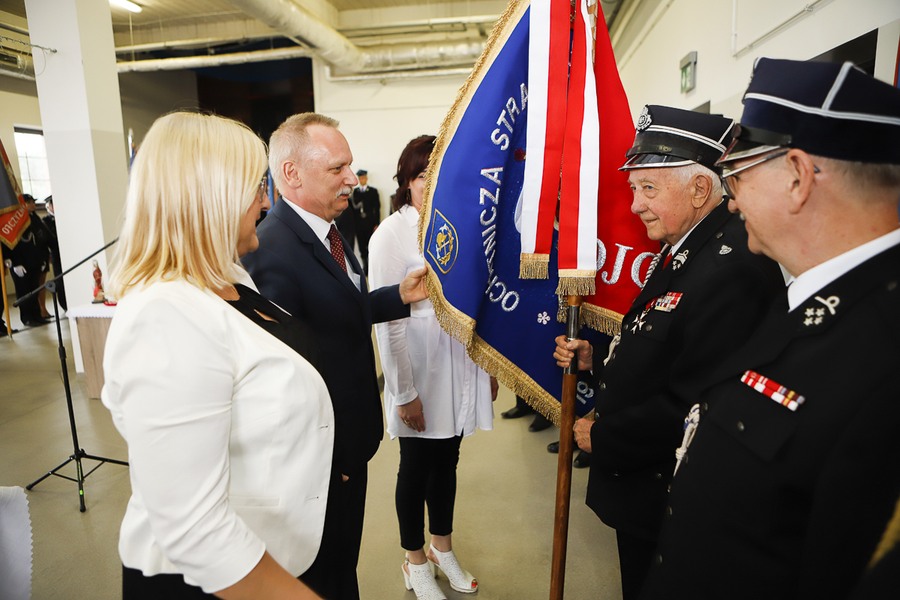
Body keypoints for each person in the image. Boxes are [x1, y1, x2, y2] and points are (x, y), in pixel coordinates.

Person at [639, 58, 900, 600]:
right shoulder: (823, 304)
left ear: (799, 176)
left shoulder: (882, 357)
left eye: (738, 177)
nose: (731, 199)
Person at [553, 105, 785, 600]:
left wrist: (605, 436)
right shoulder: (690, 245)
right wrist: (597, 360)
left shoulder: (730, 267)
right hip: (648, 486)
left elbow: (699, 399)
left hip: (672, 491)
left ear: (701, 190)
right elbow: (663, 343)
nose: (635, 204)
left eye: (648, 188)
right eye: (635, 188)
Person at [101, 111, 330, 599]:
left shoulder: (229, 279)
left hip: (270, 559)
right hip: (212, 583)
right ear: (211, 197)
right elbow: (194, 528)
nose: (266, 203)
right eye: (255, 189)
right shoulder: (165, 315)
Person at [242, 113, 428, 600]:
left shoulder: (328, 231)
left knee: (344, 563)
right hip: (324, 457)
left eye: (351, 167)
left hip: (346, 443)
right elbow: (289, 371)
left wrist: (396, 298)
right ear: (291, 175)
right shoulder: (273, 250)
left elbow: (335, 312)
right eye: (337, 169)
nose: (352, 178)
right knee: (325, 575)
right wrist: (330, 457)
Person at [368, 135, 495, 600]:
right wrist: (403, 392)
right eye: (422, 174)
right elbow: (387, 321)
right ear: (406, 180)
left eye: (437, 171)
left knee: (449, 459)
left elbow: (479, 302)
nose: (430, 182)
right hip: (420, 367)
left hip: (459, 362)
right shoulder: (391, 234)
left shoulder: (459, 223)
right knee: (416, 465)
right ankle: (414, 560)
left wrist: (488, 364)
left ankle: (442, 547)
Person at [3, 194, 52, 326]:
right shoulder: (13, 221)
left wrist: (42, 260)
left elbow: (40, 240)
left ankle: (37, 315)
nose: (33, 205)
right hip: (20, 262)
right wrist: (14, 263)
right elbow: (10, 243)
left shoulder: (33, 218)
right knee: (24, 291)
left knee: (34, 289)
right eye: (29, 202)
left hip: (34, 260)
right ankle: (27, 317)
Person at [349, 168, 380, 273]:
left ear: (366, 178)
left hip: (370, 224)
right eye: (360, 178)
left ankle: (372, 267)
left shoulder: (373, 191)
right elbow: (353, 209)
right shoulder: (355, 192)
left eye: (363, 177)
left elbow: (377, 208)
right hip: (359, 225)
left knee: (371, 245)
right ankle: (365, 268)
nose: (362, 180)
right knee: (362, 247)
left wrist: (376, 224)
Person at [42, 196, 67, 312]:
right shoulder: (46, 221)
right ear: (49, 206)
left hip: (68, 253)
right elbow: (47, 239)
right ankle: (64, 303)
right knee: (60, 280)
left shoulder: (65, 216)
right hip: (57, 254)